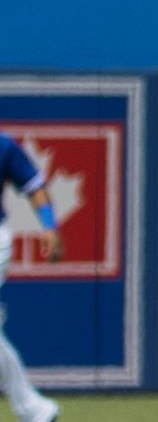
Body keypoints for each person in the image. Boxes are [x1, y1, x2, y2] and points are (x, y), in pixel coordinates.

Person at [0, 123, 65, 422]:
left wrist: (49, 225)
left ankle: (34, 409)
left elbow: (34, 186)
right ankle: (36, 410)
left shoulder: (4, 146)